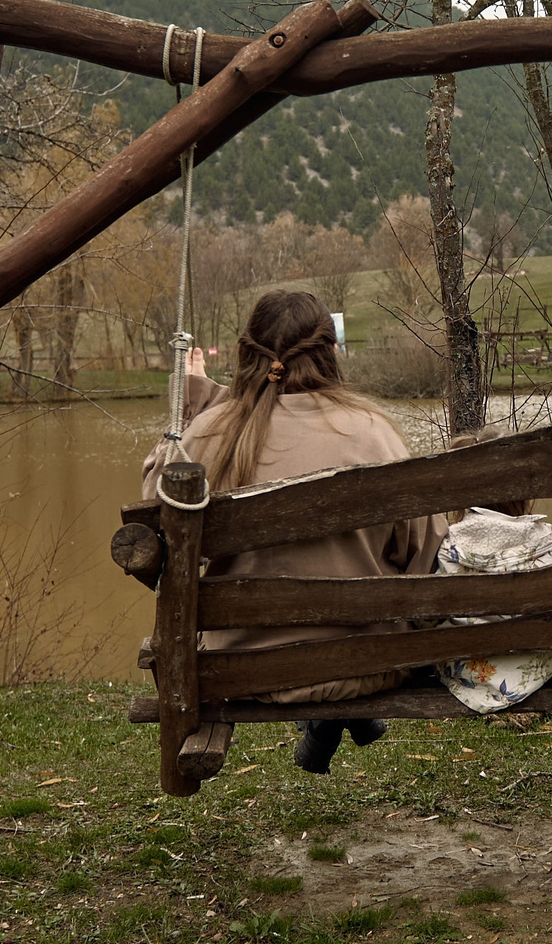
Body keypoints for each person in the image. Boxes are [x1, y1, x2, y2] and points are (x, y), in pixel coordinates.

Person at [141, 289, 445, 774]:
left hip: (240, 669)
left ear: (246, 354)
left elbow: (157, 539)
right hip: (366, 664)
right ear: (331, 352)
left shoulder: (207, 435)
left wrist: (186, 416)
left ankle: (328, 723)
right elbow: (426, 549)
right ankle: (338, 718)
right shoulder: (373, 433)